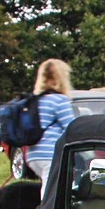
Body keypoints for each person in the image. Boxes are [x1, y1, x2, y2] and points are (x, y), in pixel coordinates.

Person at [24, 59, 75, 195]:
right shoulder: (60, 100)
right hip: (50, 153)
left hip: (33, 154)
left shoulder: (35, 100)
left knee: (47, 187)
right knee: (50, 193)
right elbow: (71, 127)